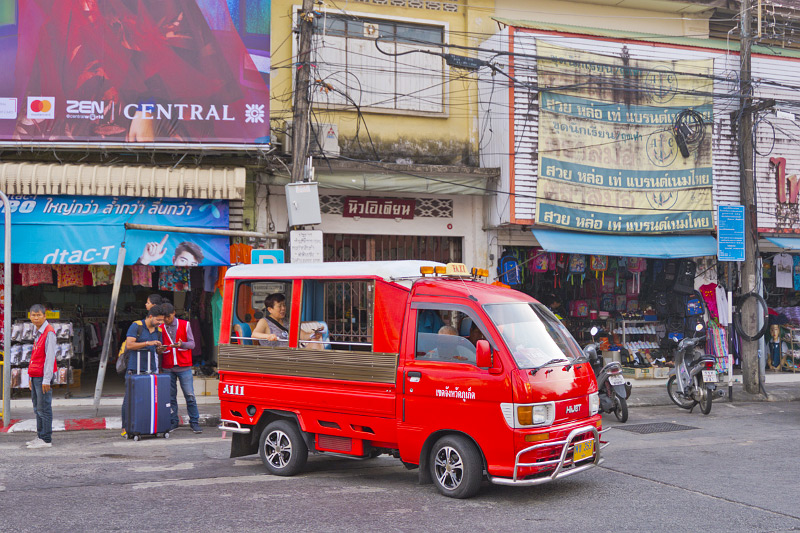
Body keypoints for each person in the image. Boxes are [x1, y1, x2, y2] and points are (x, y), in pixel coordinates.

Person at [121, 305, 165, 437]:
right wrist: (148, 343)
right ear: (150, 316)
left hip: (150, 368)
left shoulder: (159, 331)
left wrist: (160, 349)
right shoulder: (136, 326)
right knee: (129, 398)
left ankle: (145, 426)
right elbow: (130, 345)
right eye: (158, 320)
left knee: (149, 398)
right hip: (134, 368)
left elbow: (157, 349)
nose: (160, 323)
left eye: (162, 320)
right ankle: (126, 427)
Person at [158, 303, 201, 433]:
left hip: (184, 366)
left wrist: (183, 344)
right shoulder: (160, 328)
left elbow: (192, 344)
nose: (166, 320)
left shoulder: (185, 324)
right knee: (170, 397)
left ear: (174, 313)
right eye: (164, 318)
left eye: (168, 317)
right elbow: (158, 348)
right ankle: (173, 421)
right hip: (167, 366)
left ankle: (194, 422)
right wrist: (159, 349)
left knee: (190, 395)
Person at [26, 304, 57, 449]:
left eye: (38, 315)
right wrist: (30, 377)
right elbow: (35, 356)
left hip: (42, 377)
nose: (36, 318)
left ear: (45, 316)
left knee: (44, 408)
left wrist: (46, 379)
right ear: (30, 316)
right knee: (37, 408)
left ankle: (46, 438)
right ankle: (40, 436)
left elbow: (50, 358)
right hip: (36, 375)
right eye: (33, 315)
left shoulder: (49, 332)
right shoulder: (38, 331)